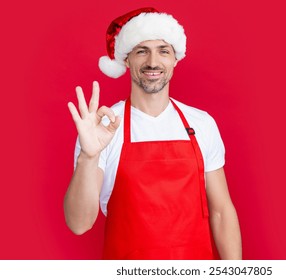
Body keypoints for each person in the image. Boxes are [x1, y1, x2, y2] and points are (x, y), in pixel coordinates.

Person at [64, 7, 242, 260]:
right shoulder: (103, 128)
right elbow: (79, 223)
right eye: (142, 51)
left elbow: (222, 211)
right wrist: (88, 157)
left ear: (175, 59)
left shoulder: (202, 124)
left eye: (163, 51)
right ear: (126, 59)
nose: (153, 62)